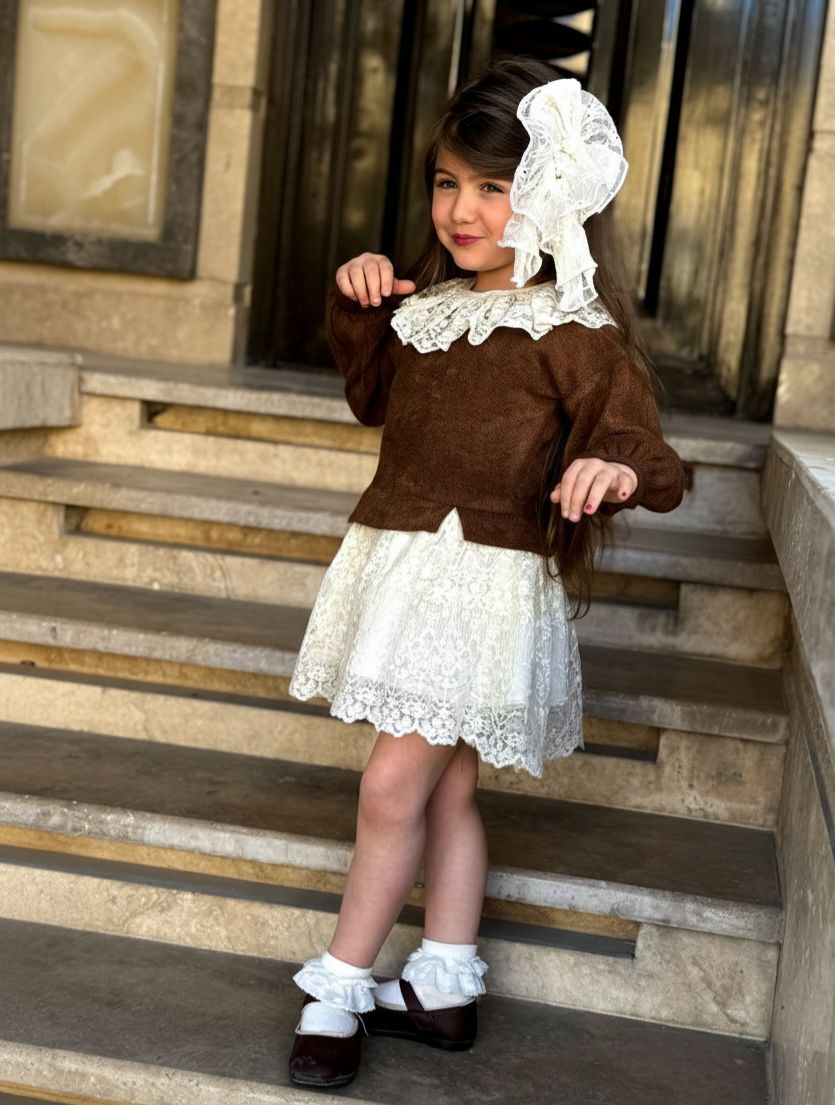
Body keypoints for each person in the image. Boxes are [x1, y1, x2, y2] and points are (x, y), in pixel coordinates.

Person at [286, 57, 686, 1088]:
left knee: (391, 786)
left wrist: (615, 469)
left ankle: (340, 984)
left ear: (551, 193)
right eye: (447, 182)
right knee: (447, 786)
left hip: (480, 586)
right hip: (406, 565)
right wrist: (358, 301)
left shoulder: (574, 332)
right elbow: (373, 396)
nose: (462, 210)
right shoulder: (428, 309)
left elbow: (650, 453)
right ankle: (445, 982)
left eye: (494, 187)